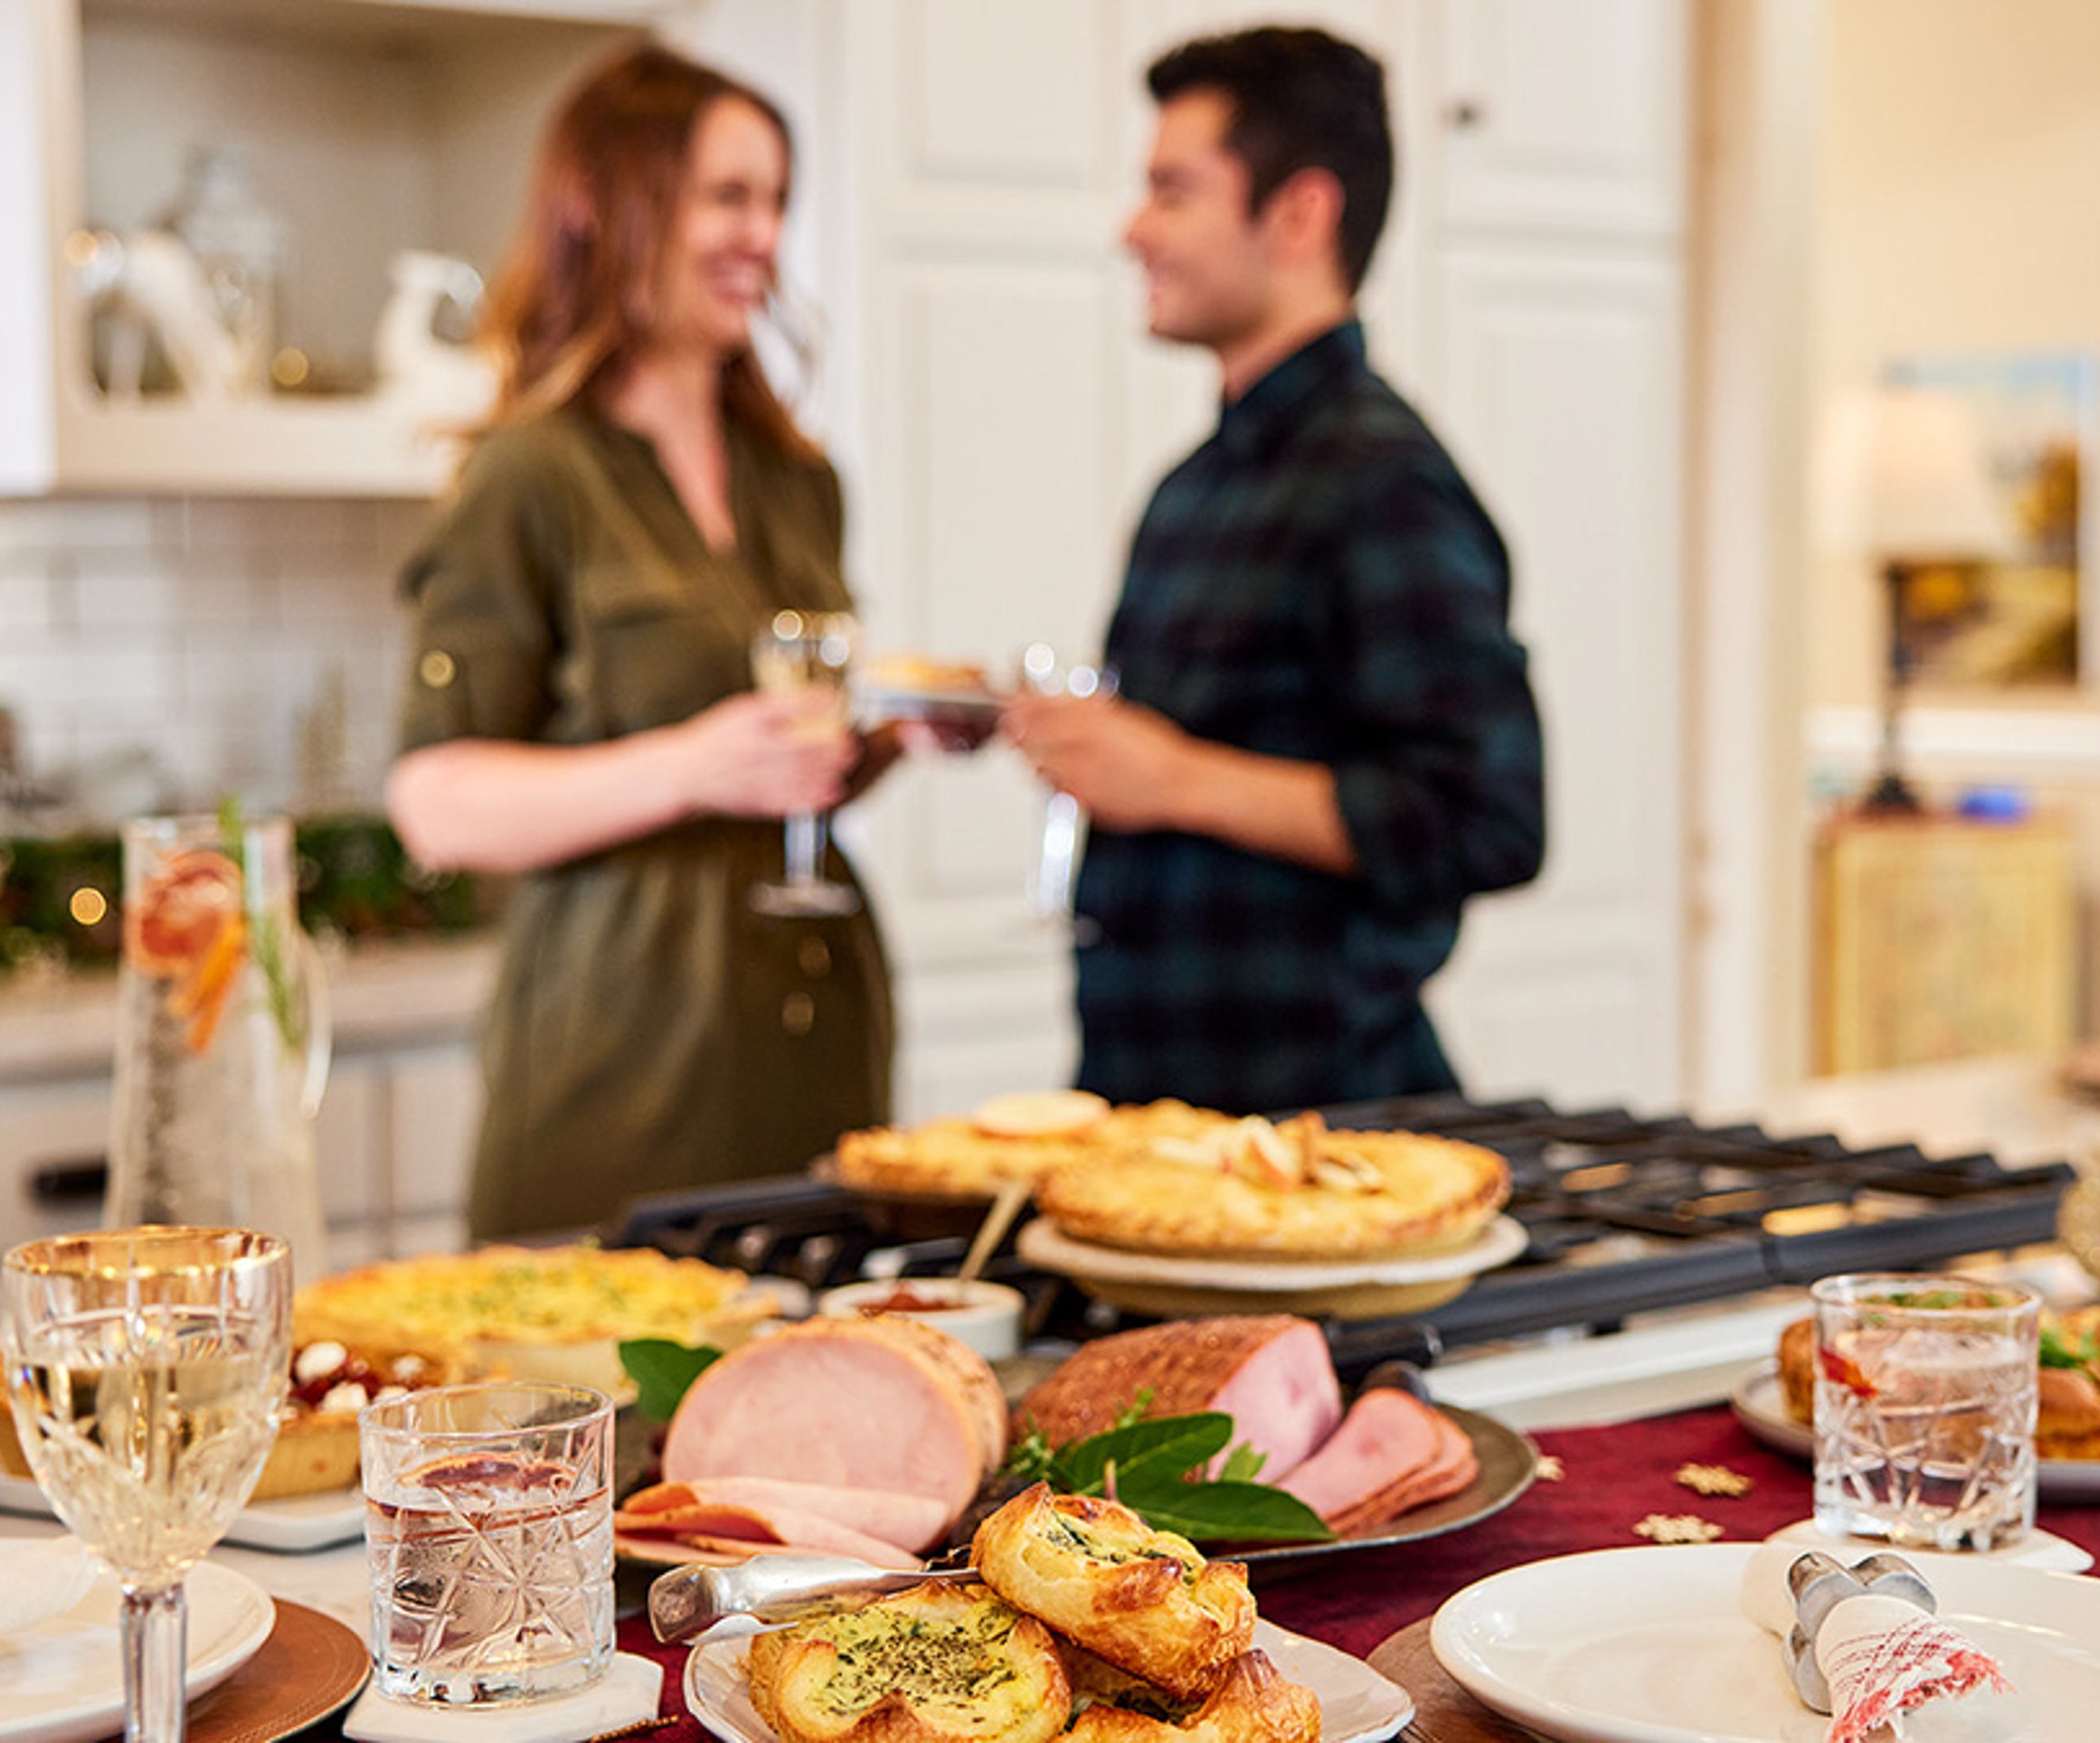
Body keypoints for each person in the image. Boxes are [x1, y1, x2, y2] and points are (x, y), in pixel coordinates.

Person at [386, 44, 893, 1239]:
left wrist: (876, 745)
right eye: (729, 197)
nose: (763, 236)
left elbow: (786, 760)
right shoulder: (531, 475)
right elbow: (437, 804)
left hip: (816, 1036)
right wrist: (696, 766)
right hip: (622, 1053)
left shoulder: (797, 478)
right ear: (612, 207)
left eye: (775, 201)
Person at [1005, 25, 1546, 1114]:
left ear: (1299, 214)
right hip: (1153, 1116)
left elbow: (1489, 818)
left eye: (1173, 191)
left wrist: (1173, 778)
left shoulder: (1383, 481)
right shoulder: (1192, 487)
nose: (1134, 230)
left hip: (1322, 1136)